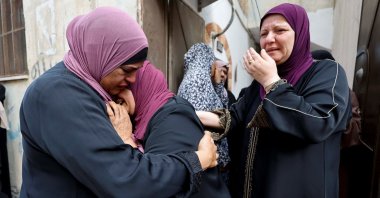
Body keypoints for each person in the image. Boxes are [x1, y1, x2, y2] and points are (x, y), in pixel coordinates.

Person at [19, 7, 218, 198]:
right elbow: (128, 180)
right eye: (127, 70)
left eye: (137, 72)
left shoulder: (85, 89)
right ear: (101, 58)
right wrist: (197, 160)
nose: (133, 81)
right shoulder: (58, 95)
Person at [197, 3, 352, 198]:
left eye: (280, 30)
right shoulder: (258, 86)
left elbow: (319, 122)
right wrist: (190, 116)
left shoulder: (327, 73)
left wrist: (272, 82)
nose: (269, 39)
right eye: (263, 33)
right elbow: (232, 118)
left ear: (300, 33)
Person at [116, 60, 230, 197]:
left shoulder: (170, 120)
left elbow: (152, 187)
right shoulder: (156, 115)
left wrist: (126, 140)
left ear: (142, 87)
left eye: (123, 87)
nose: (114, 96)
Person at [177, 43, 231, 185]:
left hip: (206, 161)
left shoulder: (194, 80)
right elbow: (200, 125)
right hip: (207, 163)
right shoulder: (198, 81)